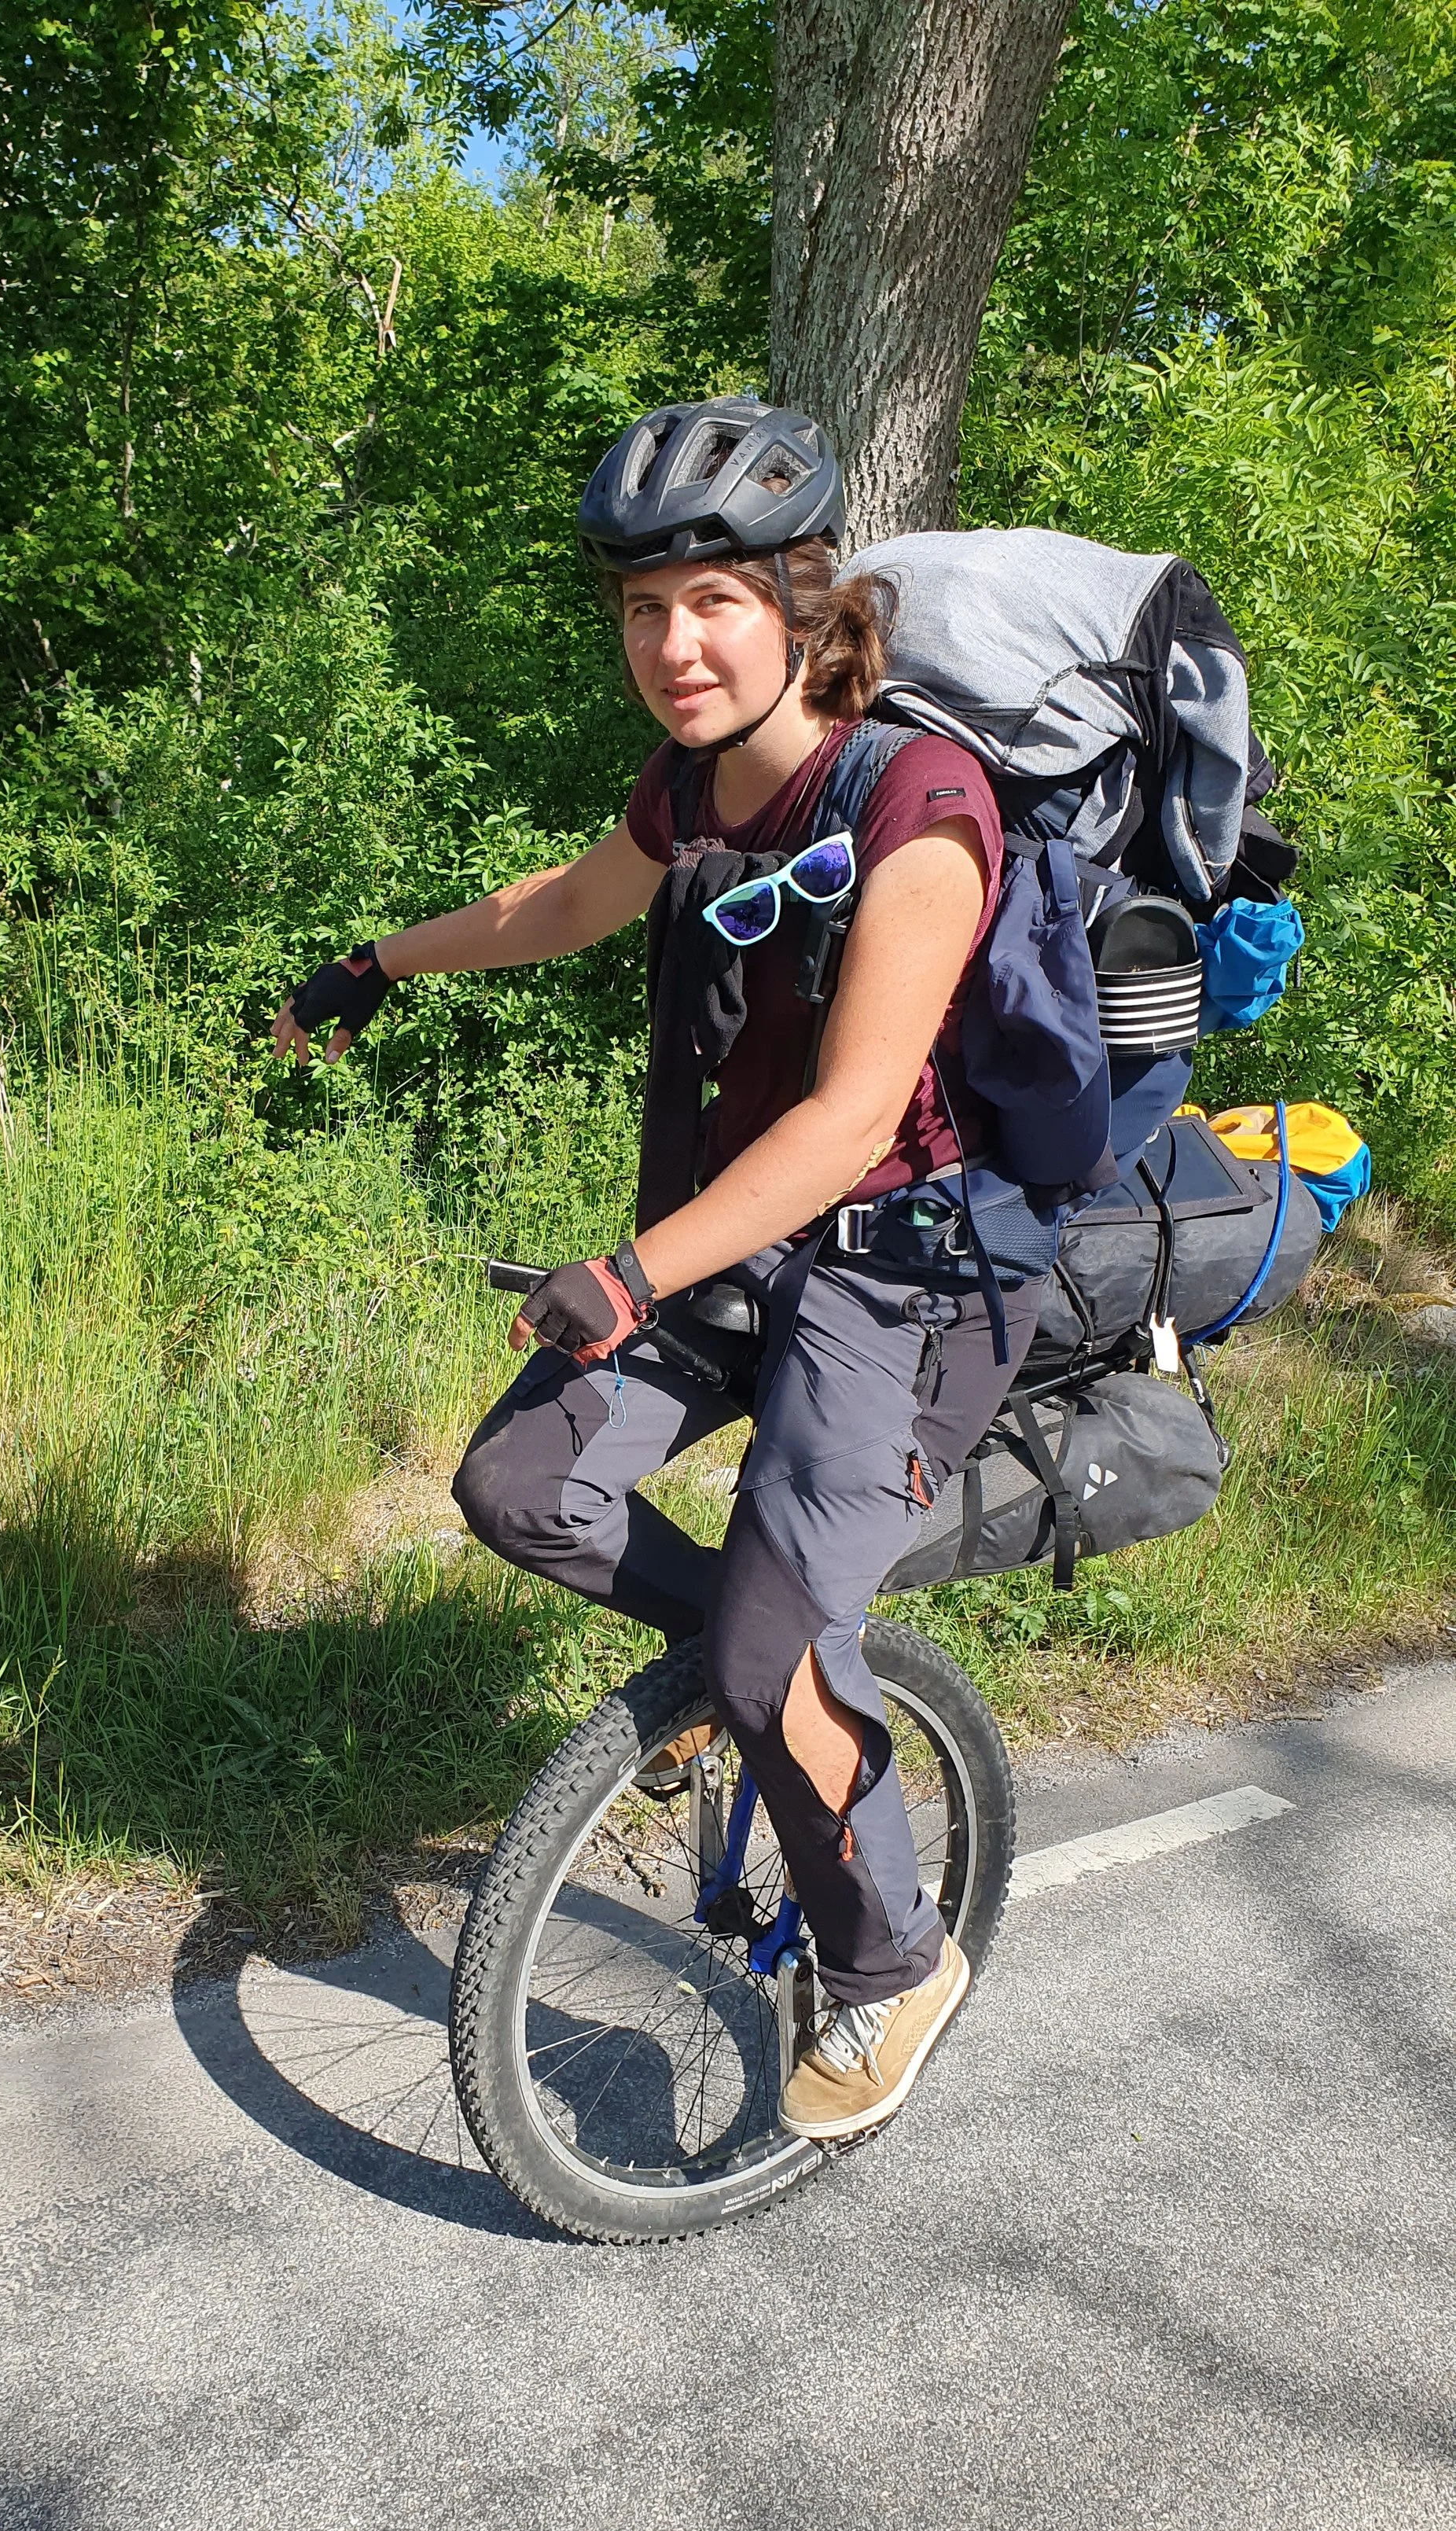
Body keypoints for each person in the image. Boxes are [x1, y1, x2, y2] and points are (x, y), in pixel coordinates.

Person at [271, 397, 1040, 2142]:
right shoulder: (690, 790)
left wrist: (627, 1274)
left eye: (711, 603)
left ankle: (891, 1956)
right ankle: (744, 1678)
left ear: (797, 607)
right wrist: (373, 966)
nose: (672, 645)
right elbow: (565, 902)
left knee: (775, 1655)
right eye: (641, 610)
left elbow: (852, 1119)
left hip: (899, 1277)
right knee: (519, 1483)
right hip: (737, 1248)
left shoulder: (922, 804)